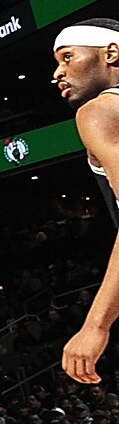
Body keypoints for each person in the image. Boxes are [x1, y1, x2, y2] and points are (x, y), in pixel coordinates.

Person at [50, 23, 119, 385]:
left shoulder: (101, 111)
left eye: (67, 57)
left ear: (110, 54)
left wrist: (95, 325)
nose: (57, 73)